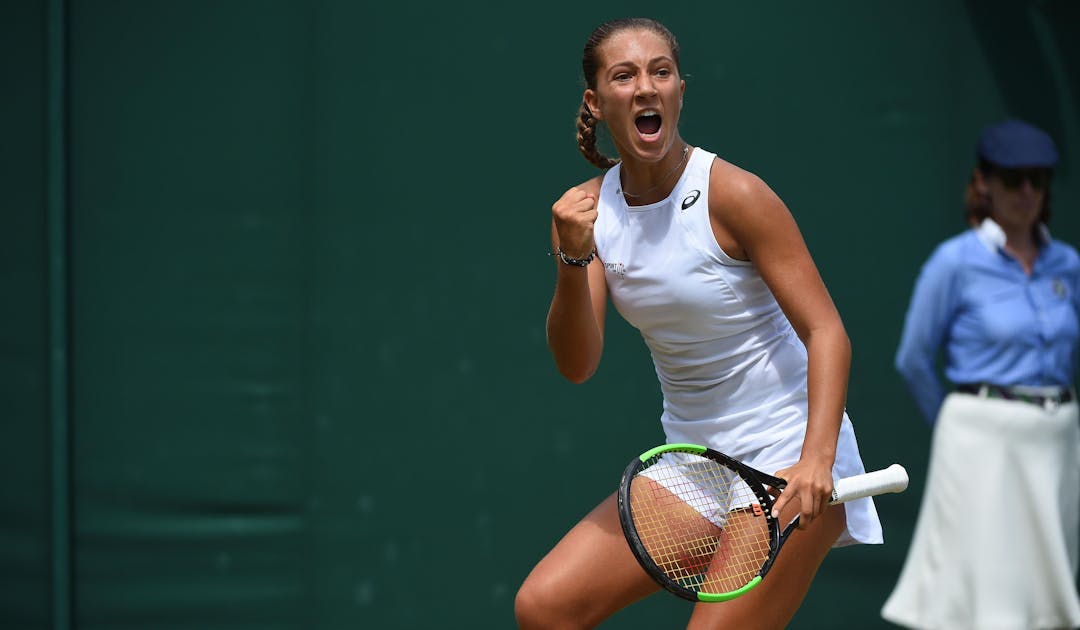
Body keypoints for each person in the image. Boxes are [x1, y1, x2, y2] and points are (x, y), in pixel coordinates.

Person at [514, 18, 883, 629]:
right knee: (545, 608)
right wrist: (572, 258)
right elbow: (576, 365)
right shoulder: (582, 215)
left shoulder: (735, 194)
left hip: (791, 453)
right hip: (696, 463)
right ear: (596, 102)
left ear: (680, 90)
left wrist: (818, 459)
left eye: (660, 72)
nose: (645, 89)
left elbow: (827, 333)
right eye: (624, 76)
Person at [881, 119, 1080, 630]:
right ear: (985, 182)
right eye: (1014, 179)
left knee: (1048, 589)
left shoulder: (1067, 266)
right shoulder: (955, 262)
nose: (1027, 192)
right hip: (980, 441)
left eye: (1038, 179)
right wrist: (959, 424)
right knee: (987, 589)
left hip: (1058, 439)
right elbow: (914, 357)